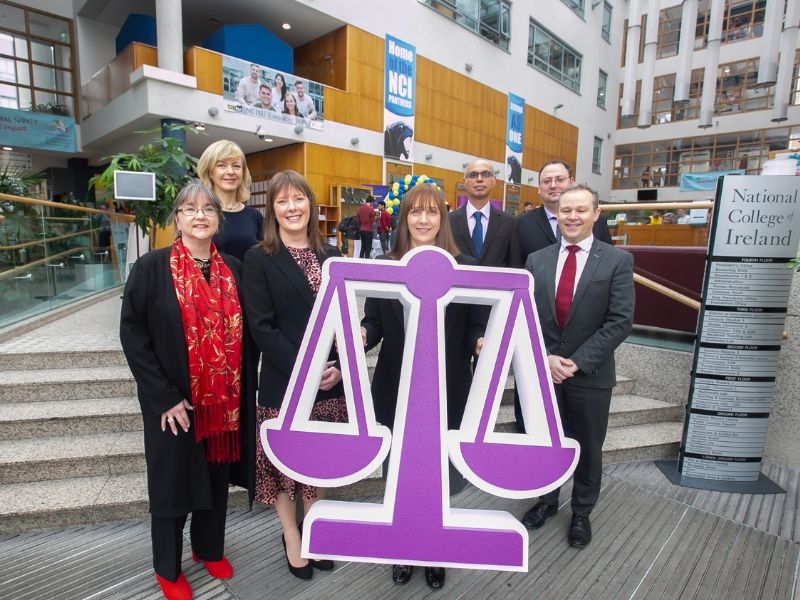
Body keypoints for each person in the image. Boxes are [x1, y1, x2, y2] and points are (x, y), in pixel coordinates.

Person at [120, 181, 255, 600]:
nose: (200, 215)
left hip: (222, 402)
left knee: (215, 479)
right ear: (177, 218)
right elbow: (133, 334)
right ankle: (167, 567)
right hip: (173, 402)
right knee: (172, 485)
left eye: (208, 209)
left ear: (218, 219)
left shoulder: (233, 267)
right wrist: (162, 396)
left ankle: (208, 549)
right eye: (189, 208)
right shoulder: (151, 267)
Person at [360, 184, 485, 591]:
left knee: (440, 475)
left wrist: (481, 342)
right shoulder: (388, 263)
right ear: (404, 218)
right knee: (399, 472)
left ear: (443, 218)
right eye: (415, 212)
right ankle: (402, 548)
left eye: (432, 212)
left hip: (447, 388)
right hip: (397, 387)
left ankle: (433, 550)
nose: (423, 220)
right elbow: (376, 321)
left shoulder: (464, 265)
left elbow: (474, 326)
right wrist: (362, 333)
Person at [242, 170, 343, 580]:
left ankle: (314, 528)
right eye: (282, 201)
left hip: (329, 380)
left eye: (298, 199)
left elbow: (341, 319)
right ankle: (290, 535)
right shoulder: (259, 258)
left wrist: (339, 364)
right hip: (285, 380)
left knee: (318, 464)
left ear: (310, 205)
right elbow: (262, 328)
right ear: (273, 210)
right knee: (284, 465)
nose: (292, 208)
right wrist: (308, 368)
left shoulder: (332, 255)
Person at [521, 183, 634, 548]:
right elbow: (524, 317)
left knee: (587, 447)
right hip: (544, 370)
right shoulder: (537, 260)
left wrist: (576, 362)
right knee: (546, 442)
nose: (572, 216)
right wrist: (546, 358)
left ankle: (582, 512)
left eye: (580, 210)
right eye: (565, 210)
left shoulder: (617, 260)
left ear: (595, 214)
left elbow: (620, 321)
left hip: (591, 375)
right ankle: (546, 501)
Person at [517, 160, 612, 262]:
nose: (553, 185)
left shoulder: (596, 220)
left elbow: (607, 259)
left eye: (560, 179)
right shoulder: (521, 223)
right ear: (539, 187)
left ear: (571, 182)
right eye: (547, 181)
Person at [197, 140, 264, 261]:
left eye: (236, 166)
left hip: (247, 280)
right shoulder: (200, 214)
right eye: (222, 165)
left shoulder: (255, 217)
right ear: (210, 172)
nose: (230, 172)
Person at [449, 158, 521, 269]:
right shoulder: (448, 221)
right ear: (465, 182)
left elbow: (515, 267)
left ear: (494, 181)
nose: (479, 179)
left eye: (485, 174)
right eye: (473, 175)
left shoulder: (509, 223)